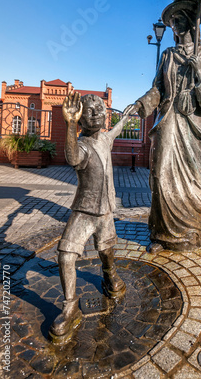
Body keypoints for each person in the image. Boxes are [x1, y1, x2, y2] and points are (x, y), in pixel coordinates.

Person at [49, 92, 135, 343]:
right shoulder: (83, 145)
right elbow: (72, 157)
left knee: (107, 250)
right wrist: (70, 125)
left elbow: (116, 131)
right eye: (89, 111)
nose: (96, 113)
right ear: (81, 119)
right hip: (85, 212)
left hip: (106, 211)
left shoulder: (105, 139)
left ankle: (109, 275)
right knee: (66, 254)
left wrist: (127, 116)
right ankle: (69, 306)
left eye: (100, 109)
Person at [135, 0, 201, 253]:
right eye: (171, 22)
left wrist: (199, 76)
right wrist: (142, 104)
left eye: (178, 20)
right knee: (160, 174)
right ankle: (162, 234)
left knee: (193, 179)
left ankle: (197, 228)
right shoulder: (168, 55)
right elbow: (158, 89)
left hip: (191, 123)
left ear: (191, 23)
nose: (173, 26)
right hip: (169, 119)